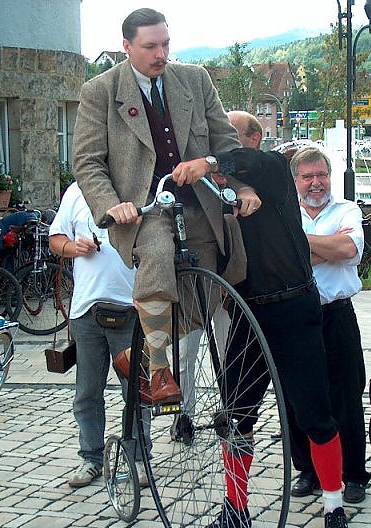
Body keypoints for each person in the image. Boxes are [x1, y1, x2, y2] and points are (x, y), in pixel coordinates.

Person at [72, 8, 258, 406]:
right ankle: (158, 370)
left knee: (208, 290)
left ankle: (134, 354)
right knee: (157, 253)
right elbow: (87, 161)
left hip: (201, 204)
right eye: (150, 46)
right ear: (127, 46)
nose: (161, 54)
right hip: (144, 208)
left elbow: (227, 144)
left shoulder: (195, 79)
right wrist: (112, 205)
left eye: (166, 44)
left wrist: (241, 187)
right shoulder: (101, 91)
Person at [197, 116, 352, 528]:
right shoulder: (220, 191)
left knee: (314, 414)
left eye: (233, 139)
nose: (226, 148)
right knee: (235, 412)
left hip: (292, 308)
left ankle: (334, 508)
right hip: (246, 314)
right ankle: (236, 507)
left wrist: (210, 160)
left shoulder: (275, 173)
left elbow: (250, 162)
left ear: (254, 139)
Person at [285, 144, 371, 504]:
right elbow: (285, 261)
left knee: (346, 395)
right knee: (298, 397)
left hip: (336, 315)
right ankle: (308, 470)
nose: (316, 182)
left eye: (321, 174)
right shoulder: (284, 211)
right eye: (308, 176)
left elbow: (348, 250)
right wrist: (326, 248)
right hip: (296, 318)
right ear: (295, 180)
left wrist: (300, 244)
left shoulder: (347, 209)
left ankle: (353, 474)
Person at [48, 182, 144, 488]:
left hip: (130, 308)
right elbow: (55, 238)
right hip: (86, 310)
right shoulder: (77, 191)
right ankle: (91, 457)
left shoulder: (137, 182)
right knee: (87, 392)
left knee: (136, 392)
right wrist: (73, 248)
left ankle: (138, 459)